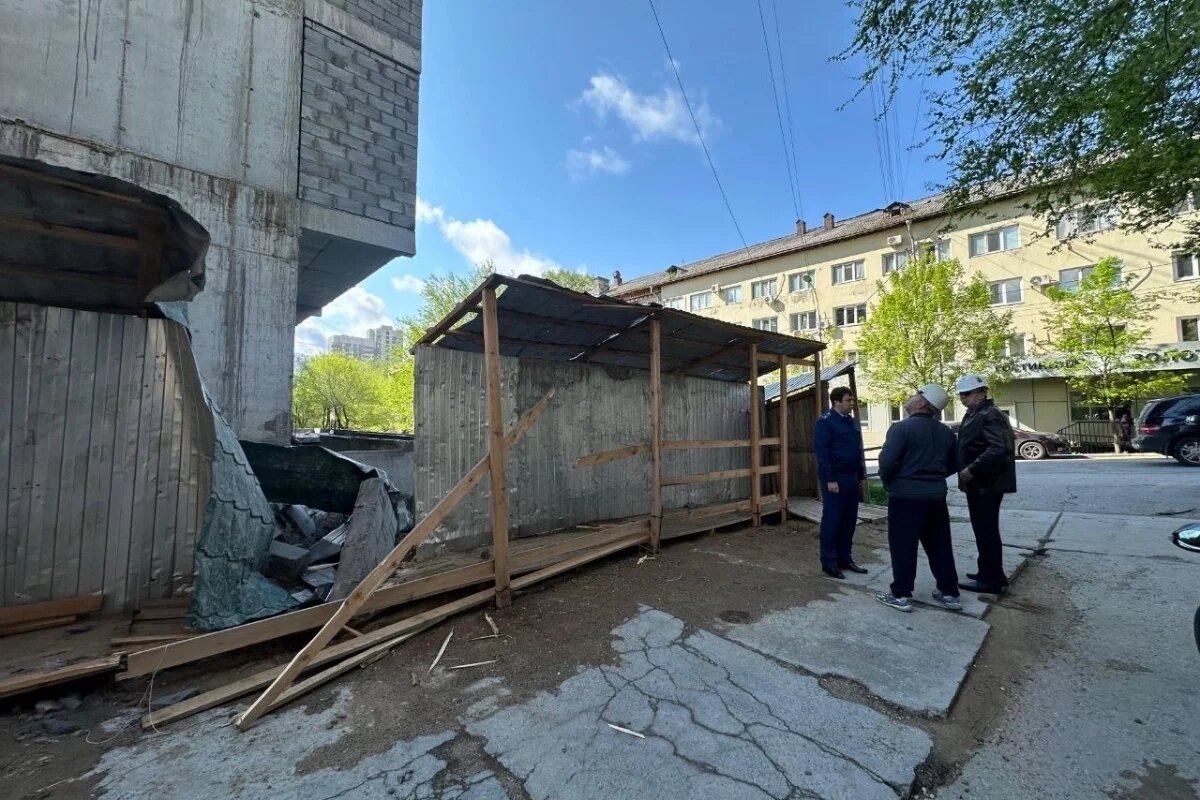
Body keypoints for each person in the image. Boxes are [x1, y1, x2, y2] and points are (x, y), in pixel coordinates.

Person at [875, 384, 962, 612]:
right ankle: (949, 592)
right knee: (940, 545)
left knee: (903, 545)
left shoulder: (901, 428)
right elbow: (954, 463)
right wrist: (934, 478)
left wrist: (890, 483)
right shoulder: (945, 433)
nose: (911, 397)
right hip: (936, 497)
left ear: (922, 403)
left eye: (916, 395)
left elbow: (887, 462)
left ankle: (901, 594)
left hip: (906, 497)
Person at [954, 374, 1017, 594]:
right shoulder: (977, 413)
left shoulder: (988, 414)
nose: (963, 398)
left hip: (986, 484)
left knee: (986, 531)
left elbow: (998, 448)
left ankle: (991, 579)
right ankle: (989, 572)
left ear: (982, 393)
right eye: (961, 394)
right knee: (983, 530)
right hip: (981, 484)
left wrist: (972, 469)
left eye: (967, 393)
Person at [813, 386, 868, 579]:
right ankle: (829, 562)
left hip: (851, 477)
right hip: (835, 479)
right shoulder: (825, 422)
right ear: (836, 402)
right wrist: (830, 479)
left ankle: (845, 558)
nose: (852, 404)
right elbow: (822, 453)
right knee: (832, 520)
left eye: (852, 400)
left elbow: (856, 450)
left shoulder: (851, 421)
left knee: (849, 520)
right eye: (848, 400)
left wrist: (860, 476)